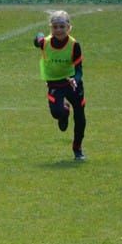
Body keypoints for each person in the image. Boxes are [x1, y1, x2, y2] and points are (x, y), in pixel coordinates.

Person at [34, 10, 86, 160]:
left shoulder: (74, 45)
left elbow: (79, 68)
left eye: (62, 26)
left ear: (68, 27)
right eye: (55, 26)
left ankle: (77, 148)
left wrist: (74, 78)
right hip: (54, 82)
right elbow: (37, 37)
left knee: (80, 116)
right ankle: (64, 112)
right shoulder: (45, 43)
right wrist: (39, 37)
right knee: (57, 113)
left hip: (72, 83)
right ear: (51, 28)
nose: (59, 30)